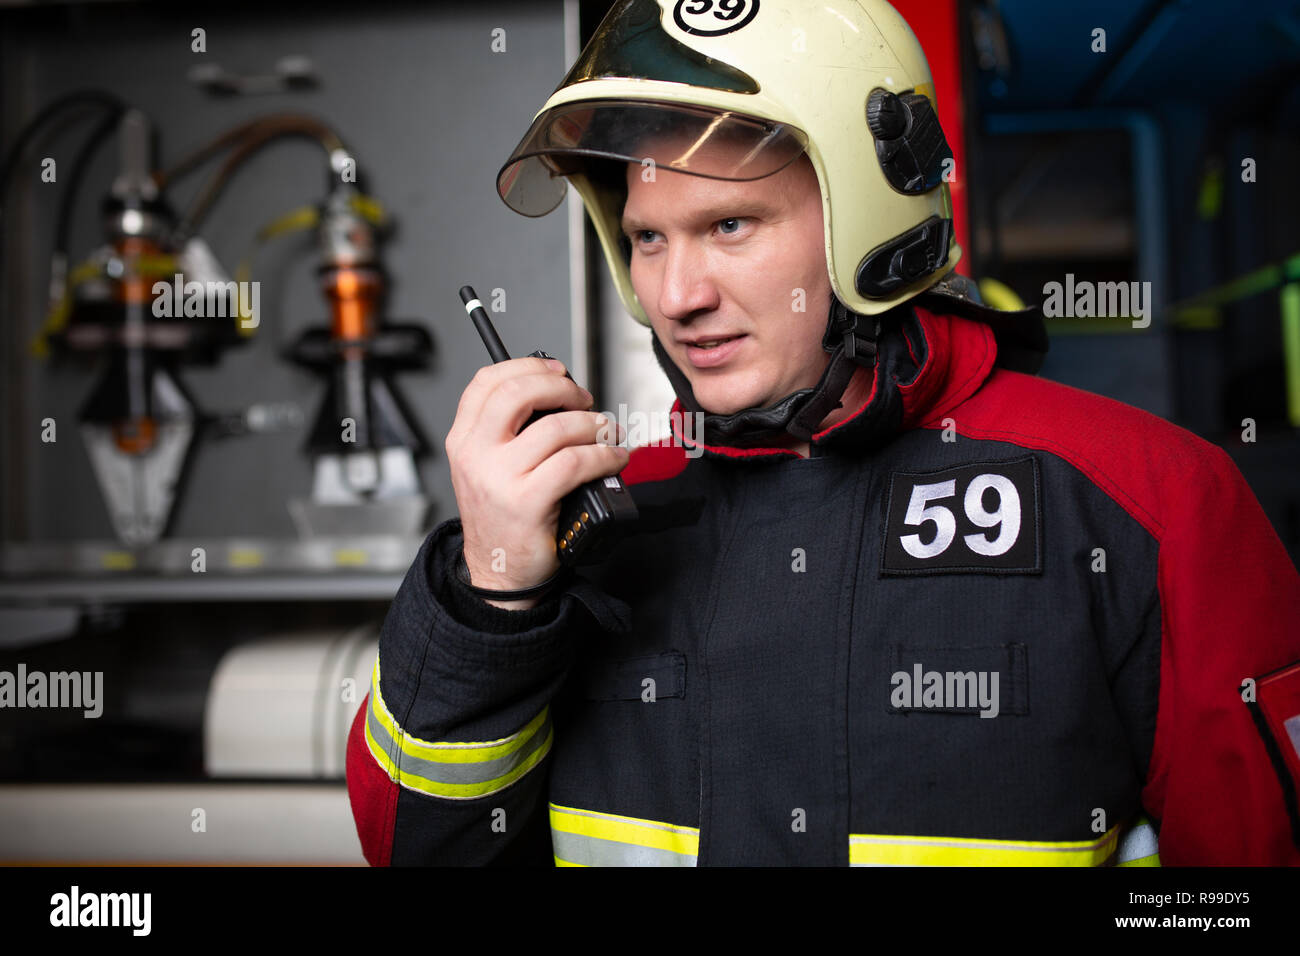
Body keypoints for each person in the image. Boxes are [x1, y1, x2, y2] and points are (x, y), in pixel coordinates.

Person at [346, 0, 1300, 865]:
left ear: (869, 216)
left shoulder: (1154, 500)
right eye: (647, 237)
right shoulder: (592, 523)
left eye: (729, 224)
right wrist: (490, 604)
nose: (678, 297)